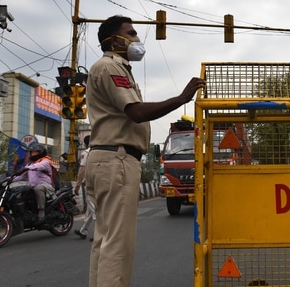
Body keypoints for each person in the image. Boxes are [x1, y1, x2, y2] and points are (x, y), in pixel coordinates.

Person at [85, 15, 206, 287]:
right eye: (132, 33)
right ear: (116, 40)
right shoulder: (111, 67)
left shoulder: (112, 69)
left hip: (105, 158)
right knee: (118, 244)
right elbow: (136, 112)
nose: (137, 39)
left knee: (105, 240)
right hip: (117, 159)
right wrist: (181, 98)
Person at [12, 143, 55, 225]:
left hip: (46, 186)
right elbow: (21, 176)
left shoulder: (45, 161)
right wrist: (10, 180)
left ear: (40, 153)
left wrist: (25, 168)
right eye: (31, 153)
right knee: (20, 191)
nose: (32, 154)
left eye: (34, 152)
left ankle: (41, 212)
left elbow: (38, 166)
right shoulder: (30, 164)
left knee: (38, 188)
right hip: (32, 187)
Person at [74, 135, 94, 241]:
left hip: (91, 183)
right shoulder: (99, 151)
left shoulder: (86, 153)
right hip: (102, 182)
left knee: (93, 208)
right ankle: (83, 230)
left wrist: (77, 185)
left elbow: (82, 169)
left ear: (86, 144)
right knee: (90, 210)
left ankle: (102, 234)